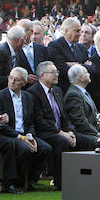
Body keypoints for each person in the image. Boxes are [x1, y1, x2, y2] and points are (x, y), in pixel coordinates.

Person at [0, 67, 55, 189]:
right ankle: (15, 183)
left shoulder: (28, 97)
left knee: (45, 148)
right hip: (8, 134)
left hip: (24, 133)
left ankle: (31, 180)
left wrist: (29, 135)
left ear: (24, 83)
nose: (12, 81)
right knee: (24, 149)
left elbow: (31, 121)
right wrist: (1, 122)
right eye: (10, 78)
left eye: (16, 79)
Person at [27, 61, 76, 189]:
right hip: (43, 131)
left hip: (59, 130)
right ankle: (60, 182)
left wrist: (70, 131)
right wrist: (60, 132)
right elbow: (38, 120)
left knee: (81, 140)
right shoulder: (33, 92)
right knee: (61, 141)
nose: (57, 75)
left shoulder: (58, 91)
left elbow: (64, 116)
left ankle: (77, 177)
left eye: (57, 72)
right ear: (42, 75)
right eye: (53, 72)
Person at [63, 64, 100, 150]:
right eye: (86, 73)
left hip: (92, 132)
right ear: (80, 77)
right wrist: (97, 133)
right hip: (84, 134)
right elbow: (80, 122)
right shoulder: (73, 95)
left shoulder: (83, 92)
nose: (89, 74)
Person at [0, 25, 25, 97]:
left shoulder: (14, 52)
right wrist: (17, 79)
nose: (24, 43)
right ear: (20, 40)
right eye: (24, 40)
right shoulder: (0, 52)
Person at [47, 17, 87, 90]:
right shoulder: (55, 46)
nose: (79, 34)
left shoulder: (82, 48)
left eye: (80, 31)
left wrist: (75, 65)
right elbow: (61, 69)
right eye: (77, 31)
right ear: (66, 30)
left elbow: (91, 68)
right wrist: (82, 66)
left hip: (81, 90)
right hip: (64, 90)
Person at [16, 18, 48, 83]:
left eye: (23, 30)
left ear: (31, 31)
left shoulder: (42, 49)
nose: (20, 33)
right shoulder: (13, 50)